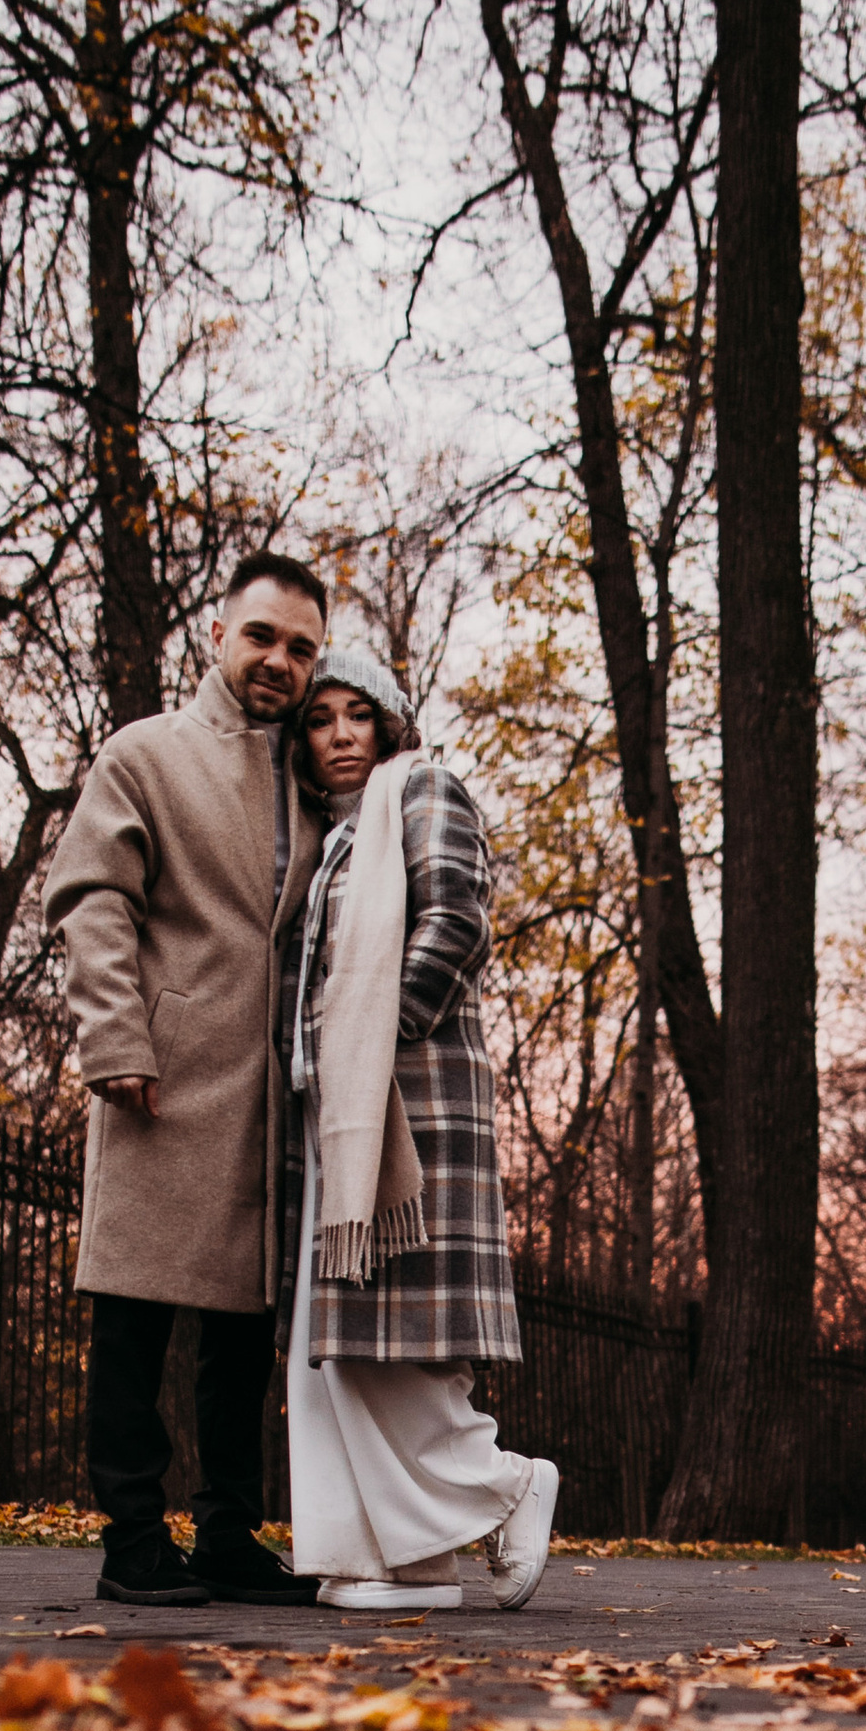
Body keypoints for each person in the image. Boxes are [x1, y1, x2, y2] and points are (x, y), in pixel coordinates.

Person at [44, 549, 332, 1606]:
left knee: (240, 1343)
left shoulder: (311, 785)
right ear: (218, 636)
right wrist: (115, 1038)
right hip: (159, 1081)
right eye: (262, 636)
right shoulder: (147, 754)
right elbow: (89, 896)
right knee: (130, 1322)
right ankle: (130, 1541)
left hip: (267, 1108)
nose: (279, 661)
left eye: (302, 647)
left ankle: (225, 1536)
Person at [283, 644, 558, 1613]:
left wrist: (374, 1035)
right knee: (343, 1339)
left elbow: (457, 921)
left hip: (412, 1097)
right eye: (319, 720)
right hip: (340, 1112)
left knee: (392, 1333)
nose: (339, 735)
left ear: (390, 721)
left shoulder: (425, 786)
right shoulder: (331, 840)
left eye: (356, 713)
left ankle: (508, 1487)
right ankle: (401, 1558)